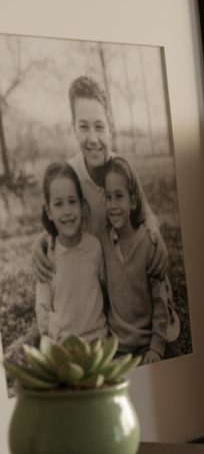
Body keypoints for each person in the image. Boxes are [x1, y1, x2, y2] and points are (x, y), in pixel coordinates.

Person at [33, 76, 169, 281]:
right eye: (84, 127)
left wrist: (156, 236)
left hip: (128, 282)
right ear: (73, 129)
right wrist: (41, 242)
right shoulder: (68, 177)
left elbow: (145, 215)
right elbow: (60, 225)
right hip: (91, 287)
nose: (93, 139)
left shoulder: (123, 170)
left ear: (110, 128)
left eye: (99, 126)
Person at [98, 157, 169, 365]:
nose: (113, 205)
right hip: (117, 347)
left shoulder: (148, 244)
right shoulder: (102, 241)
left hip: (146, 344)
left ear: (134, 200)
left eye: (119, 196)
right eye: (108, 197)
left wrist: (156, 346)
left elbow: (160, 301)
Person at [34, 162, 106, 345]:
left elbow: (106, 290)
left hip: (98, 342)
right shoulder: (48, 255)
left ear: (82, 206)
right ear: (49, 212)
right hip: (64, 346)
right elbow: (43, 308)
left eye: (72, 201)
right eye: (59, 204)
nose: (67, 211)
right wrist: (55, 336)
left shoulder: (94, 247)